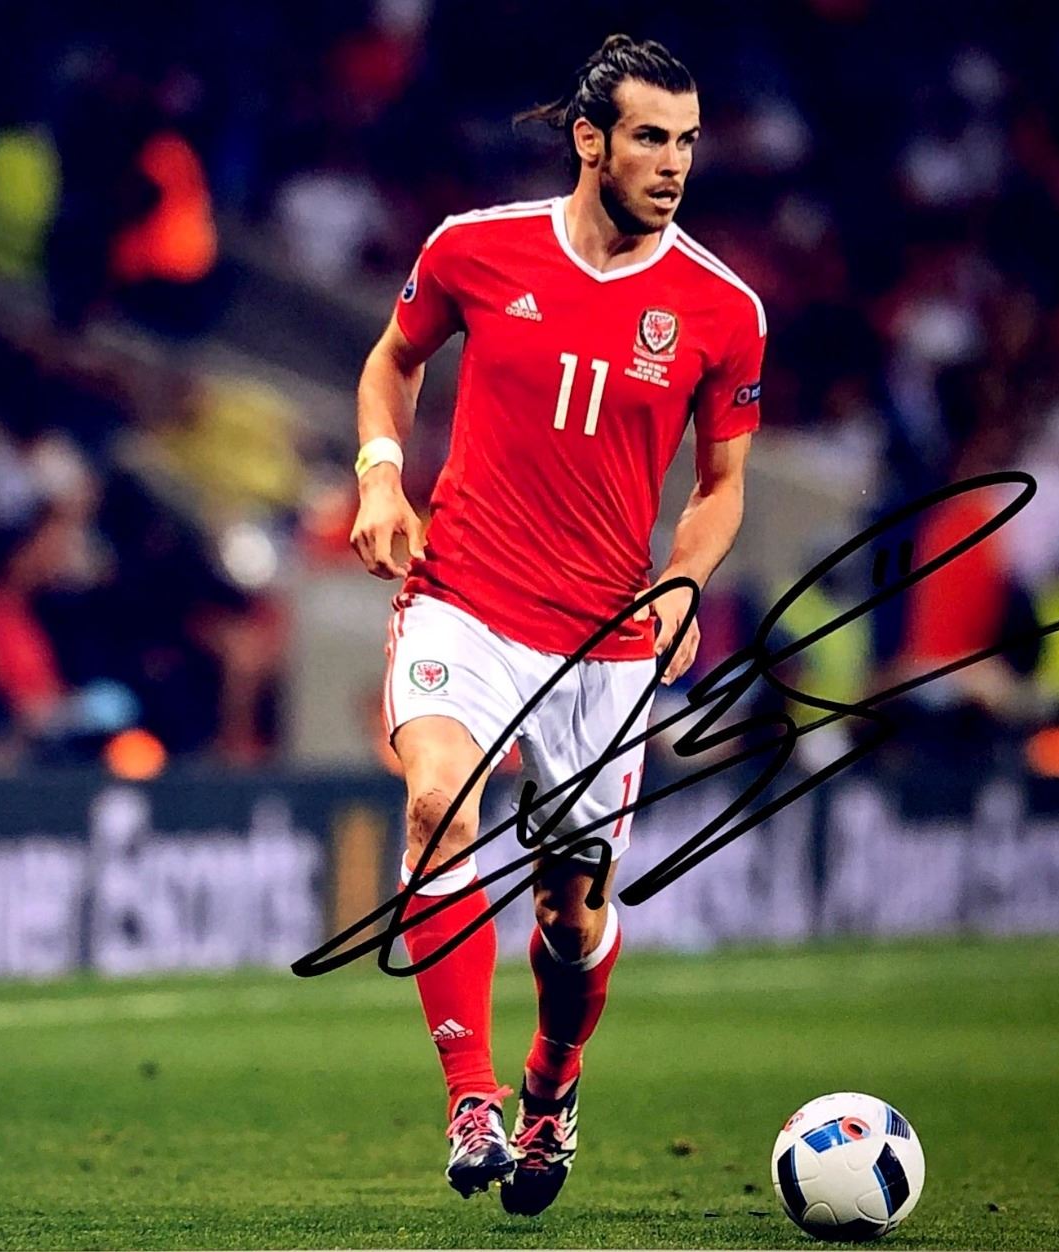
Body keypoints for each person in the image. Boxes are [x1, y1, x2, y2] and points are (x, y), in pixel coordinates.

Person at [348, 34, 764, 1213]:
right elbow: (391, 362)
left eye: (688, 142)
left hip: (604, 643)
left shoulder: (724, 310)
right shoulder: (474, 249)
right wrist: (381, 475)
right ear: (590, 140)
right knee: (437, 804)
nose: (674, 164)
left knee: (572, 917)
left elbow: (723, 485)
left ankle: (552, 1079)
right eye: (650, 138)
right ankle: (471, 1099)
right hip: (465, 598)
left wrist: (682, 581)